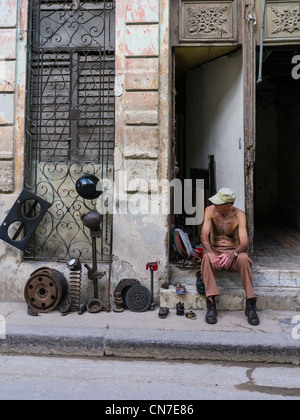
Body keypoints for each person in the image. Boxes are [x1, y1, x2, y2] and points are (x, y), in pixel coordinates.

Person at [200, 188, 259, 326]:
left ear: (228, 206)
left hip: (233, 252)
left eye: (218, 203)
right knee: (206, 258)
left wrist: (233, 254)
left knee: (244, 258)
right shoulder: (210, 210)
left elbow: (244, 243)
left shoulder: (239, 215)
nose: (214, 205)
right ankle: (211, 303)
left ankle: (250, 303)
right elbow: (203, 236)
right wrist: (210, 252)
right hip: (215, 251)